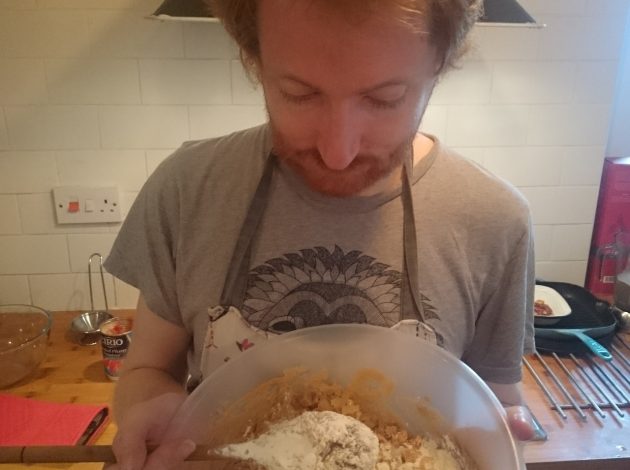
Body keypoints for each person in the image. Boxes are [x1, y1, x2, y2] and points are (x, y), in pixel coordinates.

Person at [104, 0, 536, 468]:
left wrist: (506, 429)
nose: (338, 153)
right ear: (255, 61)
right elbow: (148, 368)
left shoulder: (494, 220)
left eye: (385, 98)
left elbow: (495, 400)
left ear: (439, 65)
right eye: (298, 93)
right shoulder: (187, 190)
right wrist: (148, 407)